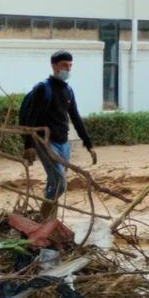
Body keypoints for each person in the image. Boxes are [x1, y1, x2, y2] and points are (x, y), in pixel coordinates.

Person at [17, 50, 97, 207]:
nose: (68, 69)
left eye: (70, 65)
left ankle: (48, 216)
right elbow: (32, 117)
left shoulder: (68, 90)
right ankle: (45, 211)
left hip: (63, 142)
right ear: (54, 66)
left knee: (55, 181)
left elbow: (76, 117)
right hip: (45, 141)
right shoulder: (43, 88)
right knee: (60, 182)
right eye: (64, 65)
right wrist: (29, 146)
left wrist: (89, 144)